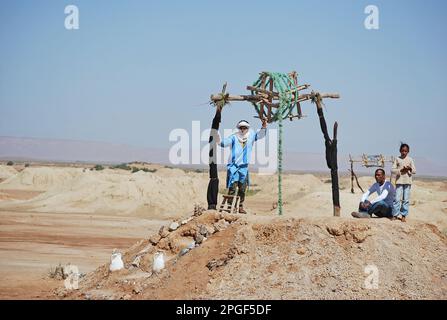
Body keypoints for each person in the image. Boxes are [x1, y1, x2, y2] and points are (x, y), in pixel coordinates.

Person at [217, 118, 267, 213]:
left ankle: (240, 206)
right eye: (241, 127)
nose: (243, 129)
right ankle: (230, 206)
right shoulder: (234, 137)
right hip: (233, 166)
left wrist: (264, 126)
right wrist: (217, 137)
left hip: (244, 167)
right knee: (232, 187)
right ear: (238, 128)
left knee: (242, 188)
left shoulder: (251, 136)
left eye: (245, 127)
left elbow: (260, 135)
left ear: (247, 128)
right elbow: (223, 143)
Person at [391, 143, 416, 222]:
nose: (404, 152)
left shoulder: (410, 159)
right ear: (400, 151)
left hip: (407, 182)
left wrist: (410, 169)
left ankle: (403, 215)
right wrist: (400, 170)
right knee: (397, 199)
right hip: (399, 181)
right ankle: (395, 215)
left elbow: (414, 171)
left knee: (406, 199)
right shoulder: (397, 159)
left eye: (405, 151)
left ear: (408, 151)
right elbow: (392, 170)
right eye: (402, 151)